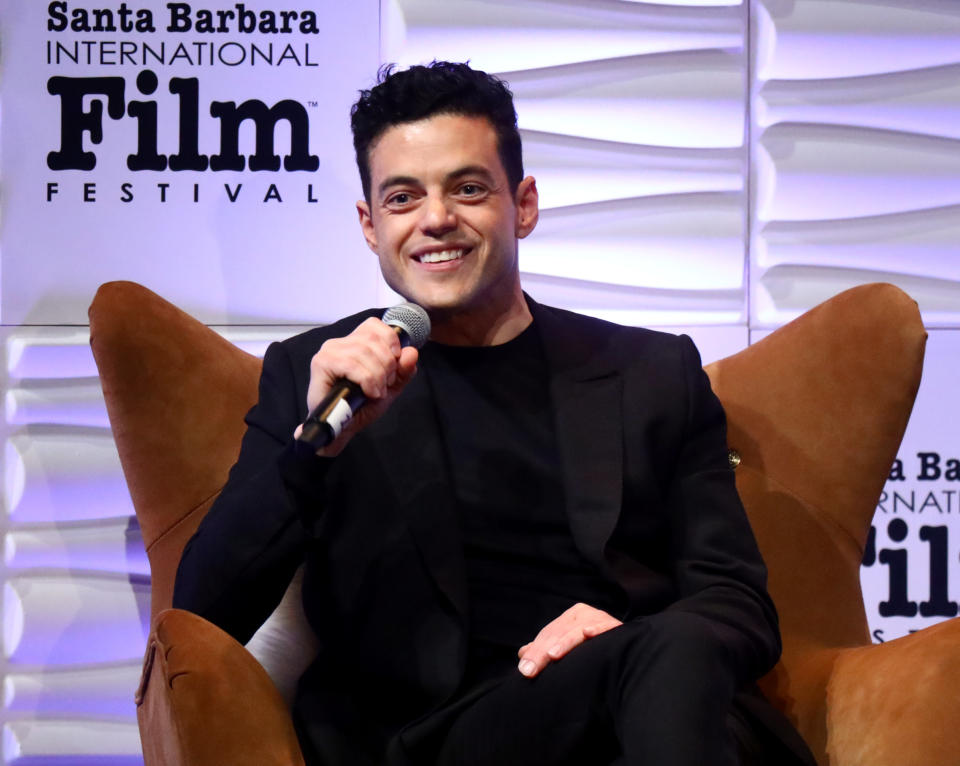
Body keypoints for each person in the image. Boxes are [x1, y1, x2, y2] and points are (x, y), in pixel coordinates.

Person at [174, 61, 816, 766]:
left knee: (676, 650)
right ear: (369, 225)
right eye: (402, 198)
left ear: (524, 204)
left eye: (469, 188)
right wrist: (311, 454)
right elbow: (205, 613)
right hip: (432, 737)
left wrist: (621, 637)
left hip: (634, 709)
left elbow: (735, 600)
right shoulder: (315, 374)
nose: (436, 219)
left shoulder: (650, 372)